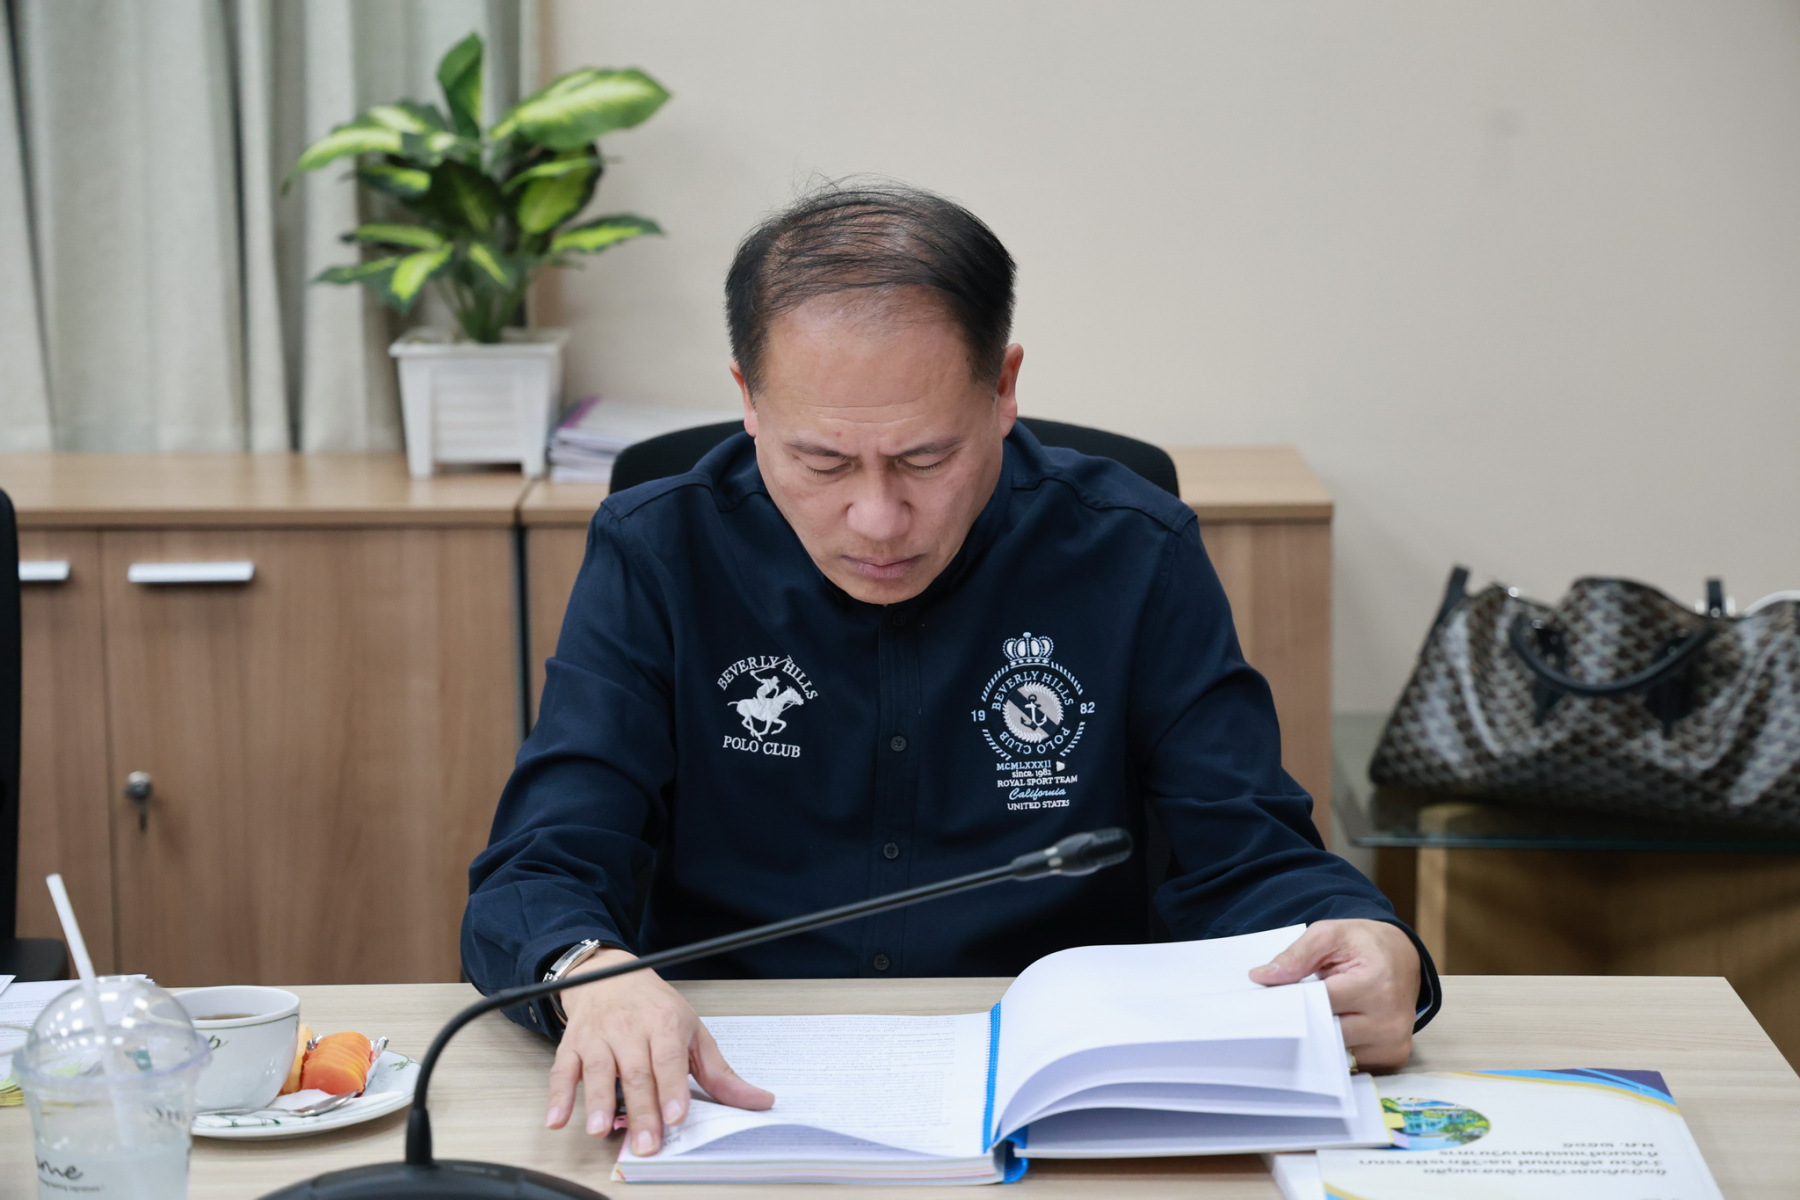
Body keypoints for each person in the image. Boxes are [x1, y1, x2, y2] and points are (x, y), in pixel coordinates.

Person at [463, 182, 1439, 1160]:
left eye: (926, 459)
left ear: (1003, 388)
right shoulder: (660, 551)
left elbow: (1248, 856)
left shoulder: (1132, 552)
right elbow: (540, 867)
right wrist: (589, 971)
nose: (879, 520)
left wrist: (1369, 943)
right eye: (823, 462)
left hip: (1065, 1105)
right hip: (726, 1101)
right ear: (749, 400)